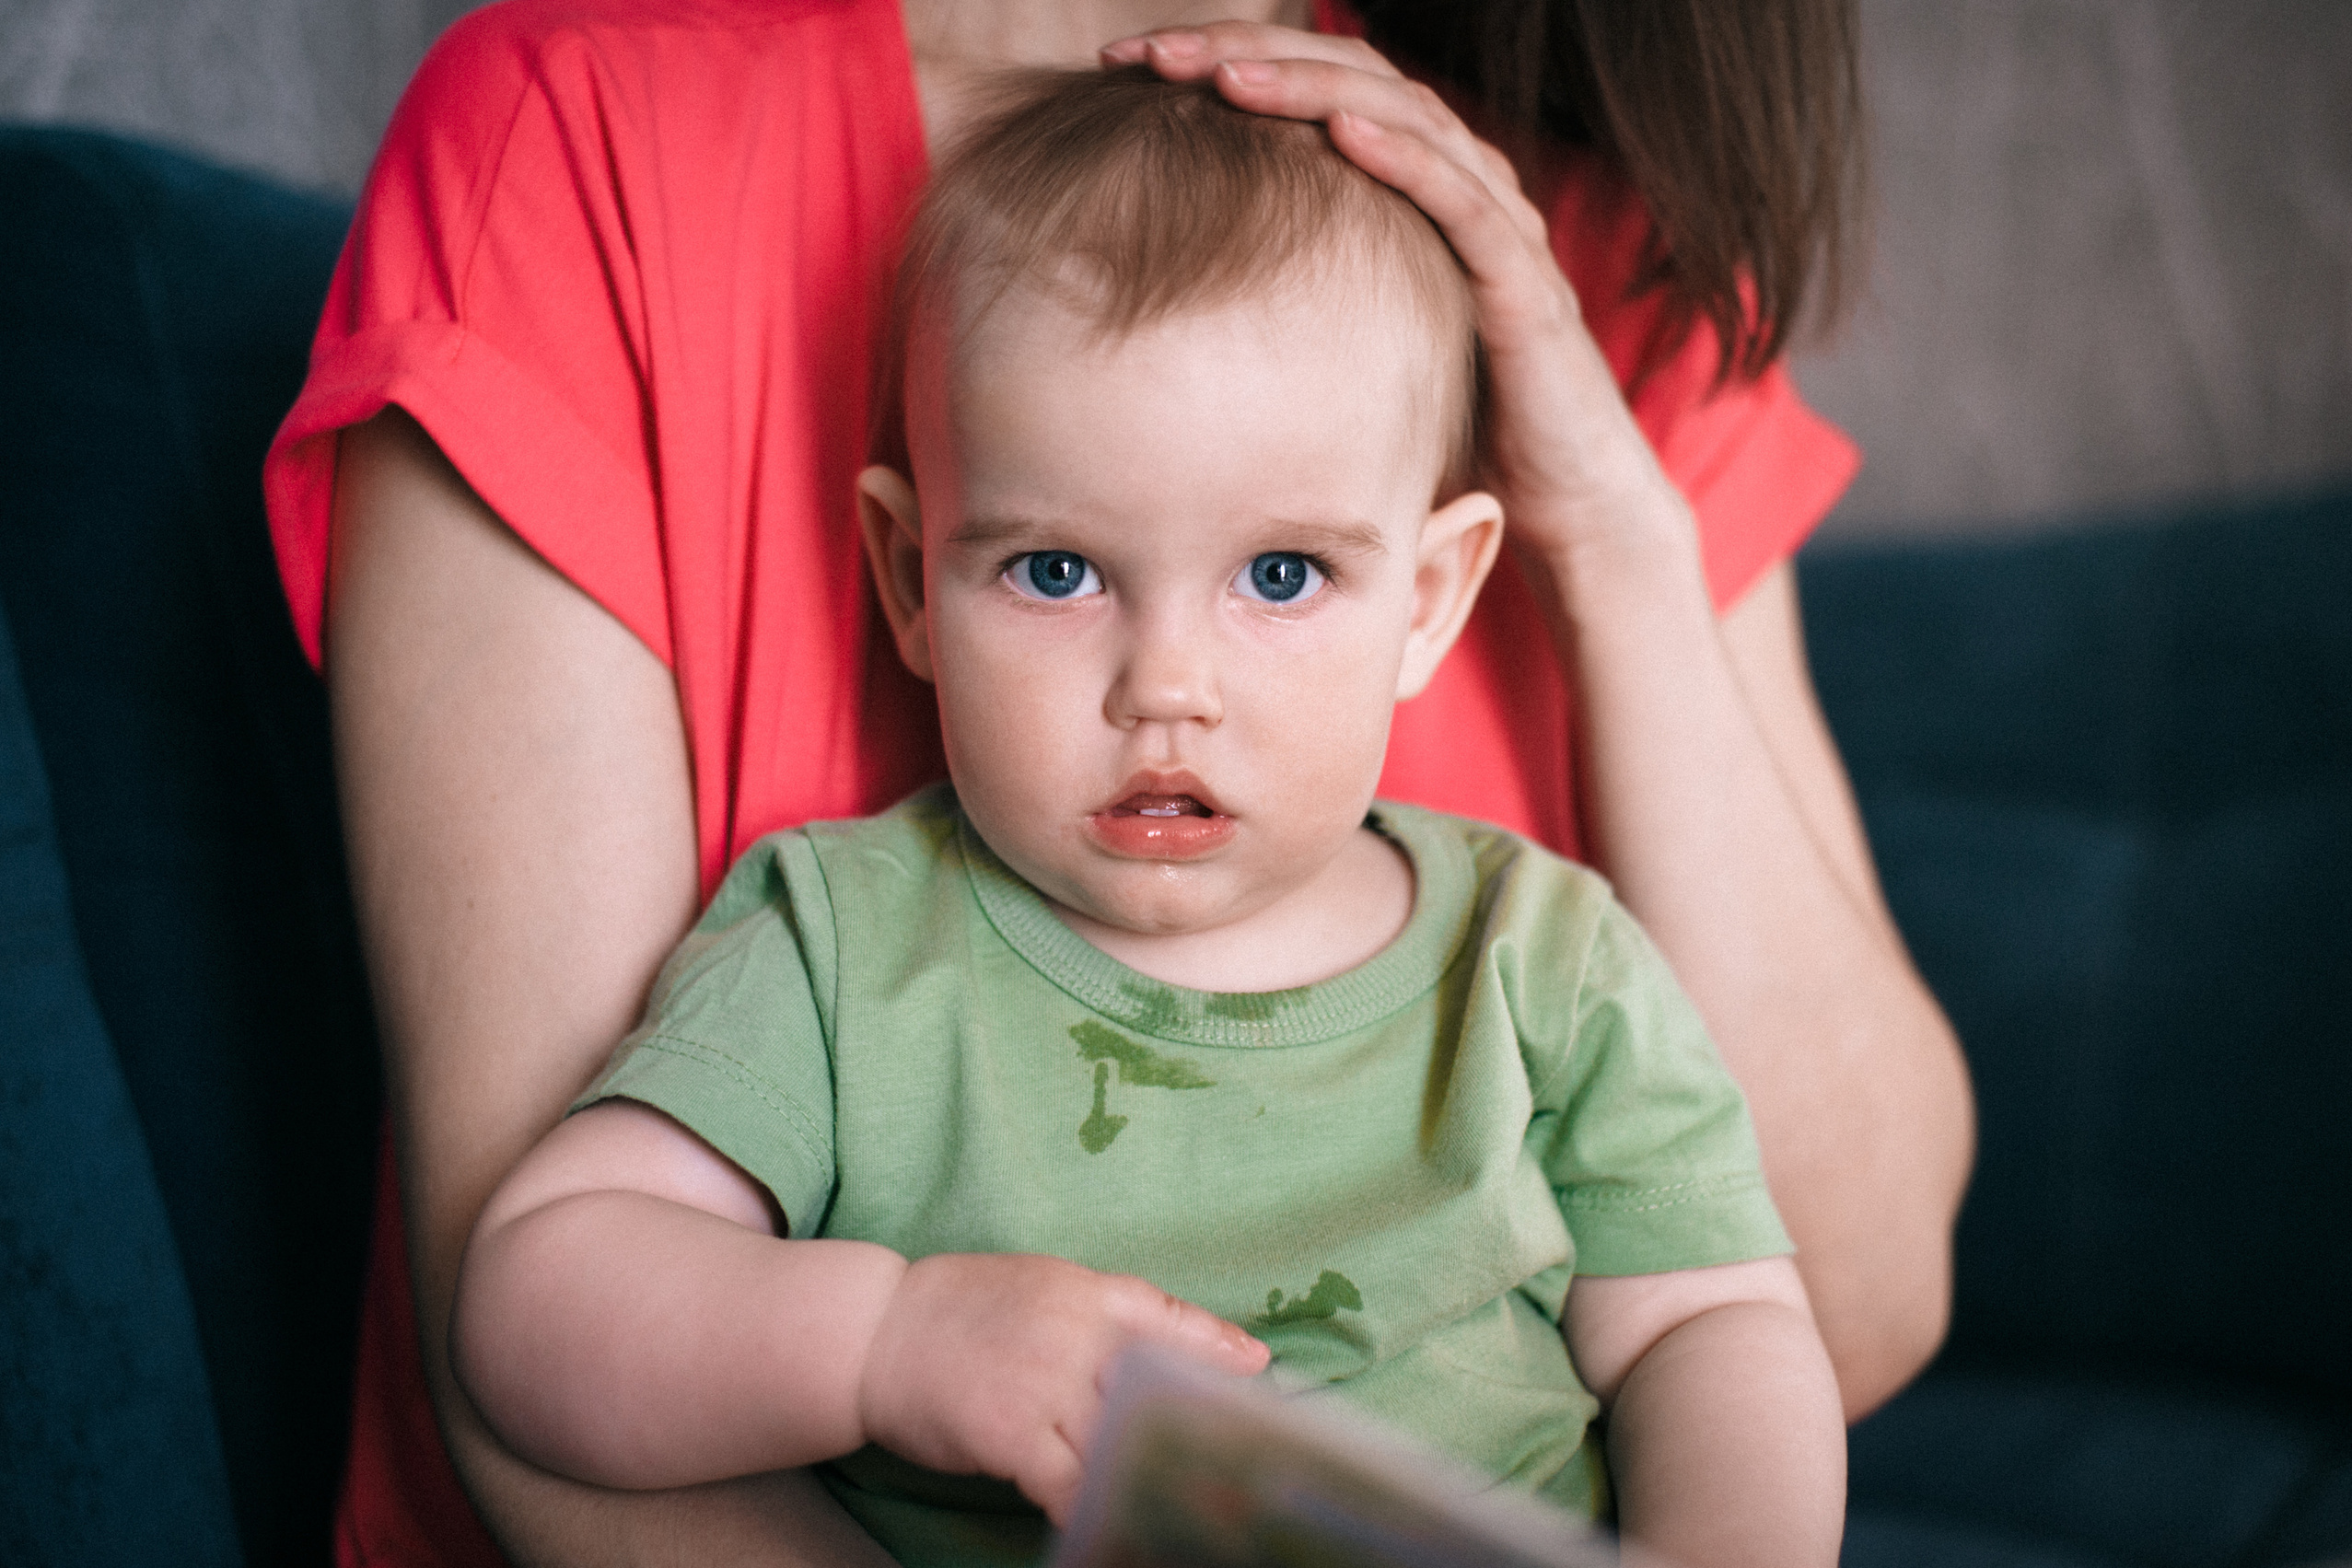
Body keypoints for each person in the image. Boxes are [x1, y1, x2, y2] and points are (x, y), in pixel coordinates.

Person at [271, 2, 1972, 1563]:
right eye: (1061, 574)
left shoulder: (1546, 956)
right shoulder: (841, 937)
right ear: (907, 574)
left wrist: (1612, 527)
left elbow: (1788, 1314)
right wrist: (884, 1336)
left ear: (1441, 591)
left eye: (1286, 577)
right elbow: (534, 1323)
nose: (1171, 687)